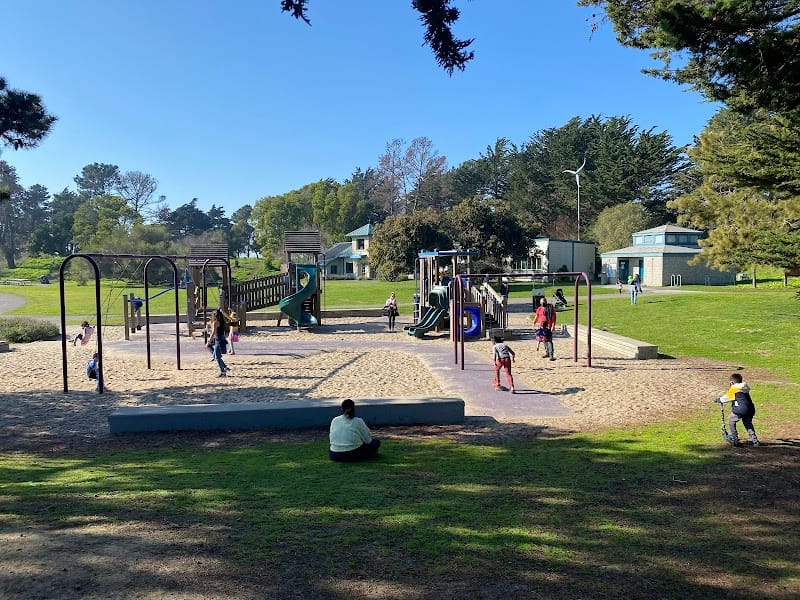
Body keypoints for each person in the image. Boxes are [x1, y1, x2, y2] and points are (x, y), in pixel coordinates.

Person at [715, 373, 759, 447]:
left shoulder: (734, 388)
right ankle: (754, 439)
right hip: (750, 408)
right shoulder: (744, 387)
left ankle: (734, 437)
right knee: (747, 422)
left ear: (732, 382)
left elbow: (727, 398)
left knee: (731, 419)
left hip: (741, 409)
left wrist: (719, 400)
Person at [207, 309, 230, 377]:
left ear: (214, 316)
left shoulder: (216, 322)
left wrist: (209, 341)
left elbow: (213, 332)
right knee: (215, 356)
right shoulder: (222, 321)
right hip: (221, 338)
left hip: (218, 339)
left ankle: (223, 371)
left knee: (217, 357)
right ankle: (225, 367)